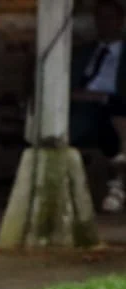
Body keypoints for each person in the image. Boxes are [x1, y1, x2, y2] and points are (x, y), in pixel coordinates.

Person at [71, 0, 126, 211]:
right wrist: (93, 97)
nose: (104, 23)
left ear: (121, 21)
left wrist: (106, 97)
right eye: (100, 17)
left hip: (118, 107)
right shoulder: (82, 53)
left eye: (110, 17)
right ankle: (118, 185)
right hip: (86, 110)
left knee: (117, 105)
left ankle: (118, 183)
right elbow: (65, 87)